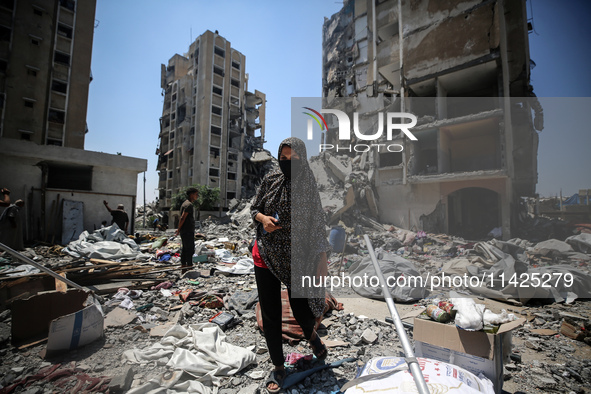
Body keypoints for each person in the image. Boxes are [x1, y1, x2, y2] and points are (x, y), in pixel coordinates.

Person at [251, 137, 330, 393]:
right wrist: (263, 219)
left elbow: (318, 224)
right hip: (266, 254)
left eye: (293, 159)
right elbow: (255, 208)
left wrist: (322, 258)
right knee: (271, 313)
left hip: (299, 258)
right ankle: (278, 366)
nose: (287, 164)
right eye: (283, 159)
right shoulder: (271, 181)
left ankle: (311, 335)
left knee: (302, 308)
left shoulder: (308, 185)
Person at [175, 187, 198, 270]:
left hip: (186, 231)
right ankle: (189, 266)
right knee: (190, 249)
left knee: (185, 249)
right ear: (191, 195)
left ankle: (184, 267)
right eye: (196, 194)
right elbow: (182, 218)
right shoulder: (188, 205)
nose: (197, 196)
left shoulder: (185, 203)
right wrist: (178, 229)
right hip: (187, 231)